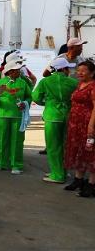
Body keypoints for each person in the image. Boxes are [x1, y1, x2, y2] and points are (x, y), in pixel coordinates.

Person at [32, 58, 78, 184]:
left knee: (53, 146)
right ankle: (62, 171)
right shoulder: (73, 82)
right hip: (68, 116)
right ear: (63, 69)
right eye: (68, 68)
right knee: (64, 145)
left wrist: (46, 103)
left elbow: (36, 97)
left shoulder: (45, 81)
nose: (69, 70)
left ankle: (57, 174)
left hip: (52, 116)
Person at [0, 60, 32, 174]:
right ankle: (1, 162)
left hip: (17, 116)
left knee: (17, 141)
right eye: (16, 70)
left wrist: (25, 103)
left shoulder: (23, 83)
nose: (19, 72)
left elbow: (29, 97)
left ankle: (16, 165)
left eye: (19, 70)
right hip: (2, 115)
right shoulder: (0, 83)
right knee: (2, 140)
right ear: (10, 72)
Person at [64, 61, 95, 197]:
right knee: (78, 151)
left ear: (92, 72)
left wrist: (91, 125)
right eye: (79, 70)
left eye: (83, 70)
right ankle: (78, 179)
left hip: (87, 124)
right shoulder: (80, 84)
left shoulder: (93, 86)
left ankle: (92, 184)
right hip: (75, 124)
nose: (80, 73)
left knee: (90, 153)